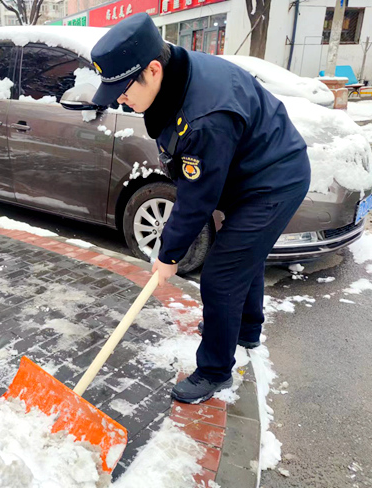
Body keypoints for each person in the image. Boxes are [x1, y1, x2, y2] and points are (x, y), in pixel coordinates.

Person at [90, 14, 311, 404]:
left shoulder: (204, 118)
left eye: (123, 90)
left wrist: (169, 254)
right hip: (249, 173)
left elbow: (197, 198)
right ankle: (245, 330)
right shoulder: (179, 74)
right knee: (243, 255)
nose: (121, 99)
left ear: (153, 69)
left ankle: (213, 372)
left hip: (273, 182)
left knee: (221, 276)